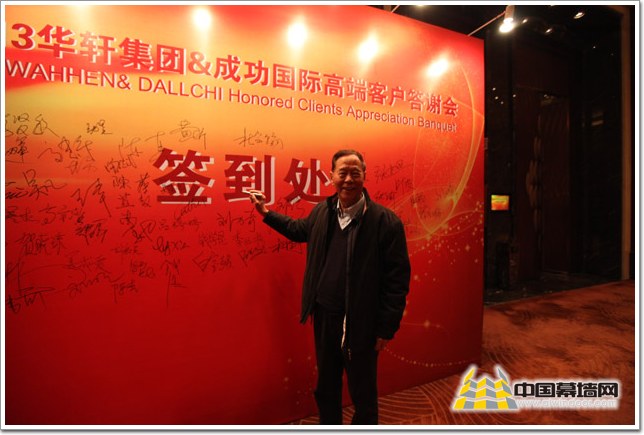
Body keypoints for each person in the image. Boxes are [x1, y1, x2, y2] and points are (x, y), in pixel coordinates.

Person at [247, 149, 411, 425]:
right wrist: (265, 212)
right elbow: (298, 230)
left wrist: (386, 328)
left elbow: (397, 281)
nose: (348, 179)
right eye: (342, 173)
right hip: (325, 316)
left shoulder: (385, 222)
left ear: (364, 176)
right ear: (331, 176)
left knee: (363, 390)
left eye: (355, 173)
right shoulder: (322, 212)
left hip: (361, 321)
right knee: (327, 385)